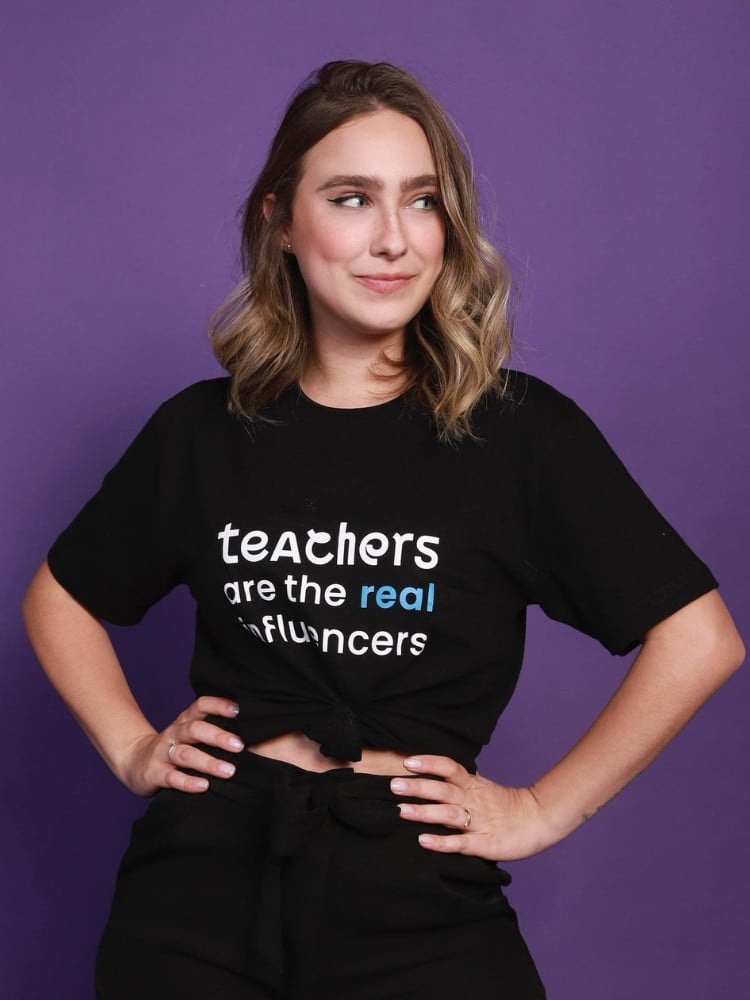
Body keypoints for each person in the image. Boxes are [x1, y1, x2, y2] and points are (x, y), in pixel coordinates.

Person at [22, 60, 744, 999]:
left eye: (423, 201)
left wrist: (537, 811)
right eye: (353, 198)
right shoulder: (204, 430)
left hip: (417, 901)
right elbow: (61, 597)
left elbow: (700, 638)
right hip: (197, 890)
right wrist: (130, 745)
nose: (394, 240)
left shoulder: (518, 432)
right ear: (281, 219)